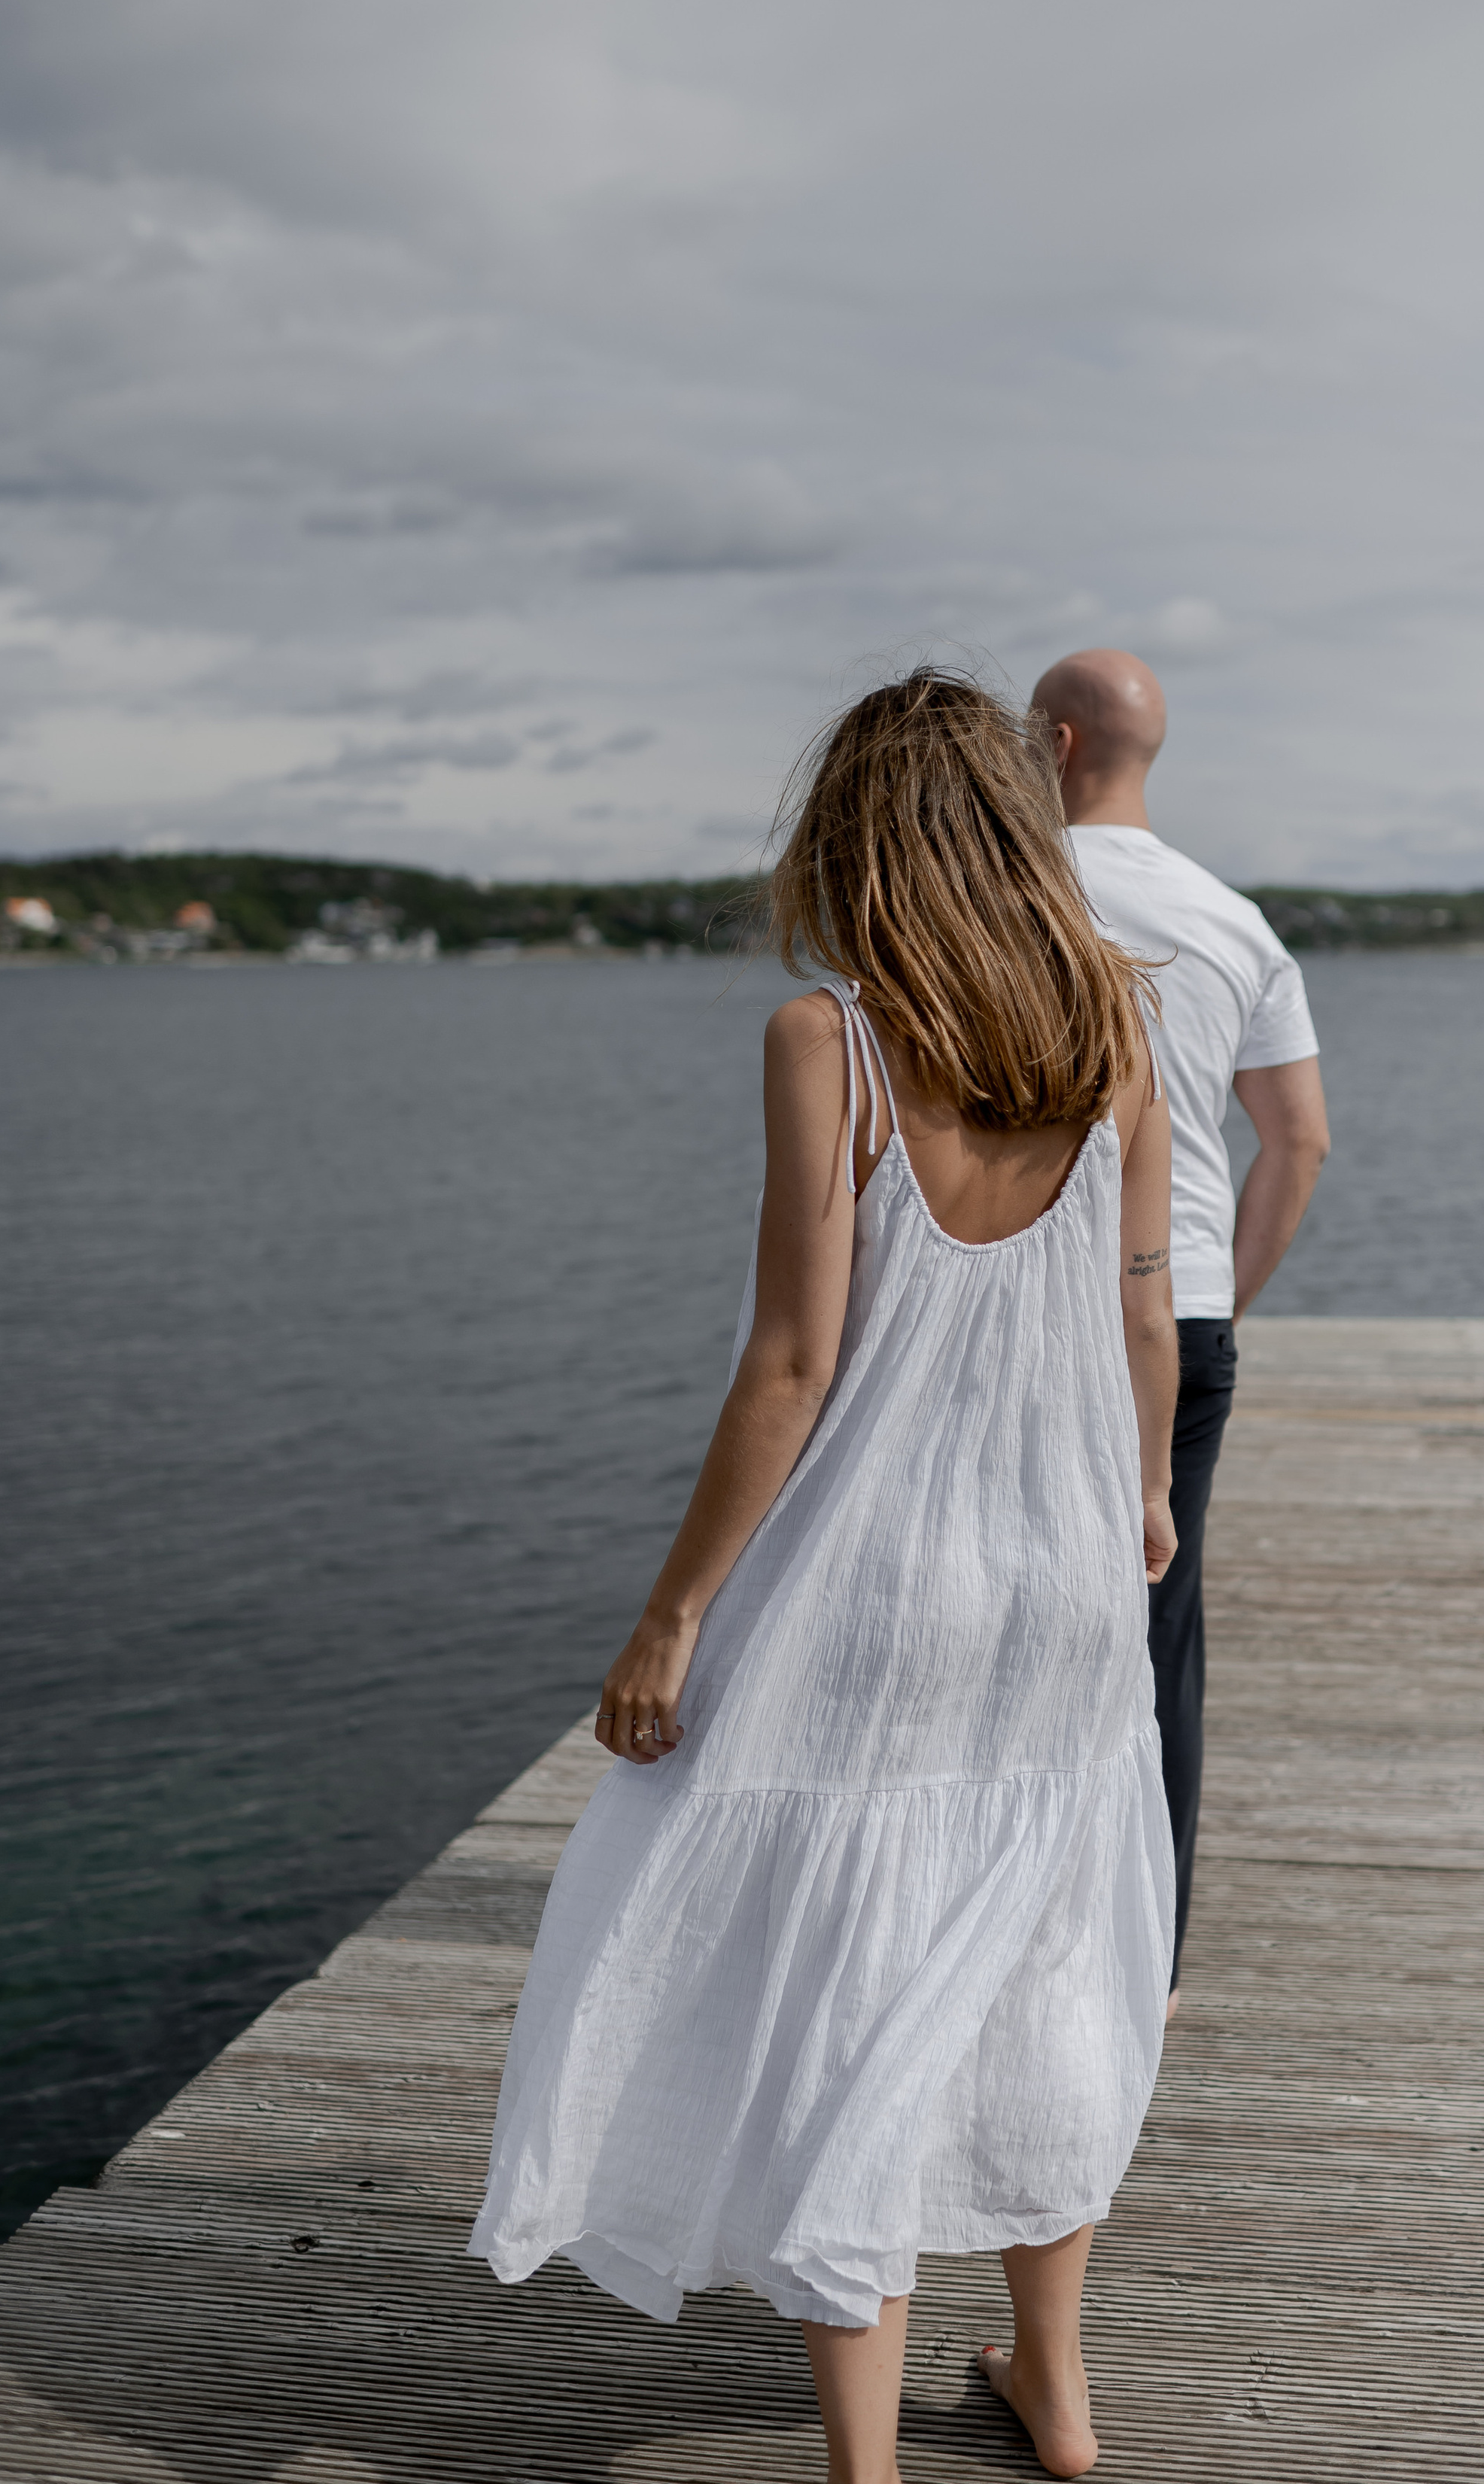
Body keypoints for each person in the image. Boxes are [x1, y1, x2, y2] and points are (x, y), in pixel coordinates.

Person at [471, 670, 1181, 2484]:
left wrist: (672, 1611)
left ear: (850, 841)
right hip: (1067, 1580)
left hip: (874, 1592)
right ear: (1021, 835)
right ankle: (1056, 2386)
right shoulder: (1118, 1021)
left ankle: (863, 2469)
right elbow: (1134, 1300)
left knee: (848, 2012)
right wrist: (1147, 1494)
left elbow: (792, 1363)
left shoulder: (831, 1043)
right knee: (1041, 1978)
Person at [1031, 649, 1329, 2011]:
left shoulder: (1010, 895)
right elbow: (1299, 1140)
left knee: (999, 1607)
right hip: (1186, 1310)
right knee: (1159, 1633)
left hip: (1023, 1309)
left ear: (1057, 739)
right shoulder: (1233, 919)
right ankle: (1143, 1946)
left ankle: (991, 1910)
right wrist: (1221, 1298)